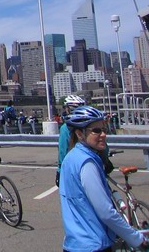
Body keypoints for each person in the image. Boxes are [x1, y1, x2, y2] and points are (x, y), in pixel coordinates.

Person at [59, 106, 148, 251]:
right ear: (80, 134)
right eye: (96, 130)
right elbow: (106, 212)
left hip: (74, 243)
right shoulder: (87, 163)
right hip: (93, 245)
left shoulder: (70, 158)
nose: (103, 134)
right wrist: (136, 238)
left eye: (104, 129)